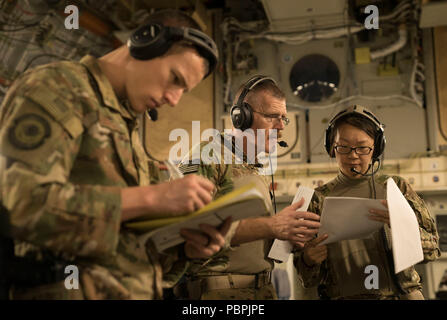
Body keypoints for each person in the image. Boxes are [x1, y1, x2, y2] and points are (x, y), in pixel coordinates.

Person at [0, 9, 231, 300]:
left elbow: (122, 240)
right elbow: (20, 205)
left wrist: (185, 248)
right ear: (145, 43)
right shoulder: (58, 88)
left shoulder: (124, 123)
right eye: (175, 78)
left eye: (183, 91)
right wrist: (152, 198)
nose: (173, 99)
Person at [175, 75, 321, 299]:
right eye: (273, 116)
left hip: (259, 291)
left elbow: (252, 238)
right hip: (219, 293)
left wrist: (287, 237)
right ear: (241, 117)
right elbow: (189, 228)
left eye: (284, 118)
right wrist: (272, 225)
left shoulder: (254, 169)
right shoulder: (207, 155)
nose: (281, 127)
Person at [294, 105, 441, 300]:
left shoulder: (396, 188)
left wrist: (402, 226)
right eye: (343, 147)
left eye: (362, 148)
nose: (353, 156)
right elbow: (307, 279)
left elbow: (433, 250)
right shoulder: (317, 199)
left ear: (376, 147)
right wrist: (309, 259)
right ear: (331, 147)